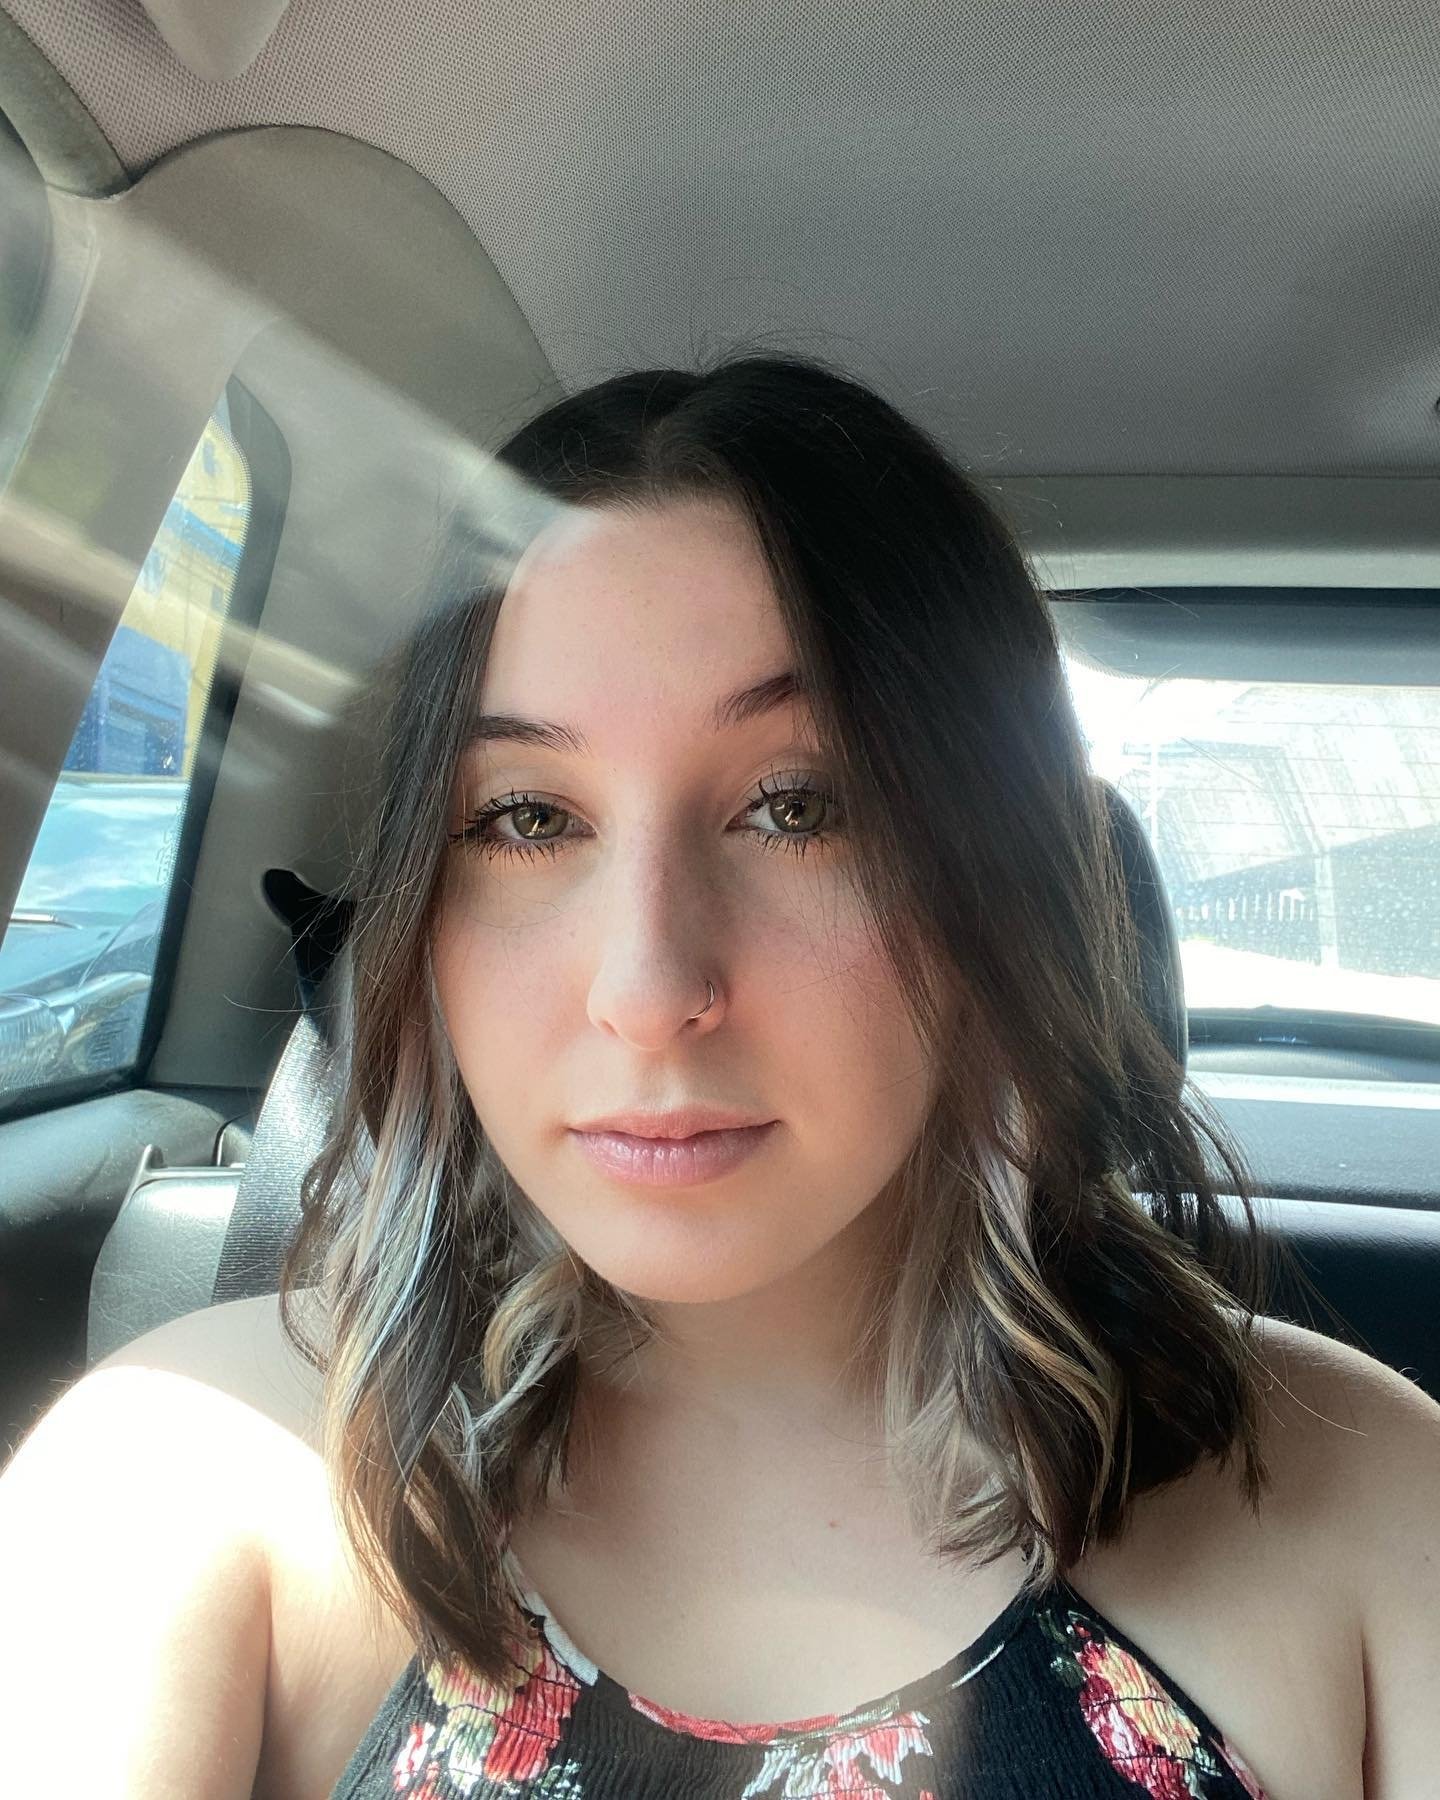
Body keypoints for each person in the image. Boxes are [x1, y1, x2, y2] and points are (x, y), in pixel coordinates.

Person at [3, 351, 1438, 1799]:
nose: (645, 992)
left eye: (797, 807)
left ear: (997, 890)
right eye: (528, 817)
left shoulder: (1372, 1506)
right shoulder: (191, 1480)